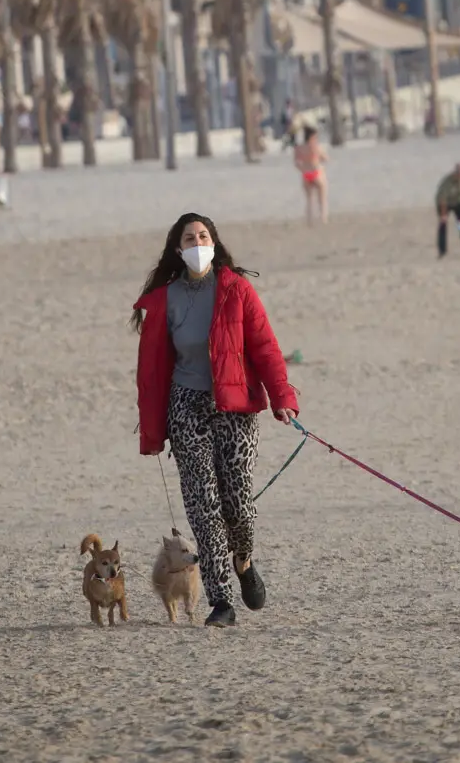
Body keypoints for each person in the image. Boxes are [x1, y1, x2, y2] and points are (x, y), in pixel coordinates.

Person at [133, 212, 298, 628]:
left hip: (236, 405)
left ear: (214, 242)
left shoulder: (236, 289)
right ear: (178, 248)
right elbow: (151, 372)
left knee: (238, 503)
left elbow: (265, 346)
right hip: (186, 405)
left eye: (203, 235)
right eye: (189, 238)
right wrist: (153, 429)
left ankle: (243, 561)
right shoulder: (165, 299)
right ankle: (220, 601)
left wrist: (282, 398)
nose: (197, 242)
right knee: (204, 507)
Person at [434, 162, 460, 258]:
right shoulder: (447, 182)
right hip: (444, 203)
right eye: (459, 174)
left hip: (459, 202)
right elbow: (442, 199)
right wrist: (443, 215)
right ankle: (442, 251)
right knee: (443, 225)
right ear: (455, 173)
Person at [293, 125, 327, 224]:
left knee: (309, 199)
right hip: (316, 172)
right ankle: (323, 218)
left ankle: (310, 219)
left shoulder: (299, 148)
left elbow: (296, 163)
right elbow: (324, 157)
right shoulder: (315, 146)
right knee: (322, 197)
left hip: (306, 174)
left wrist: (302, 169)